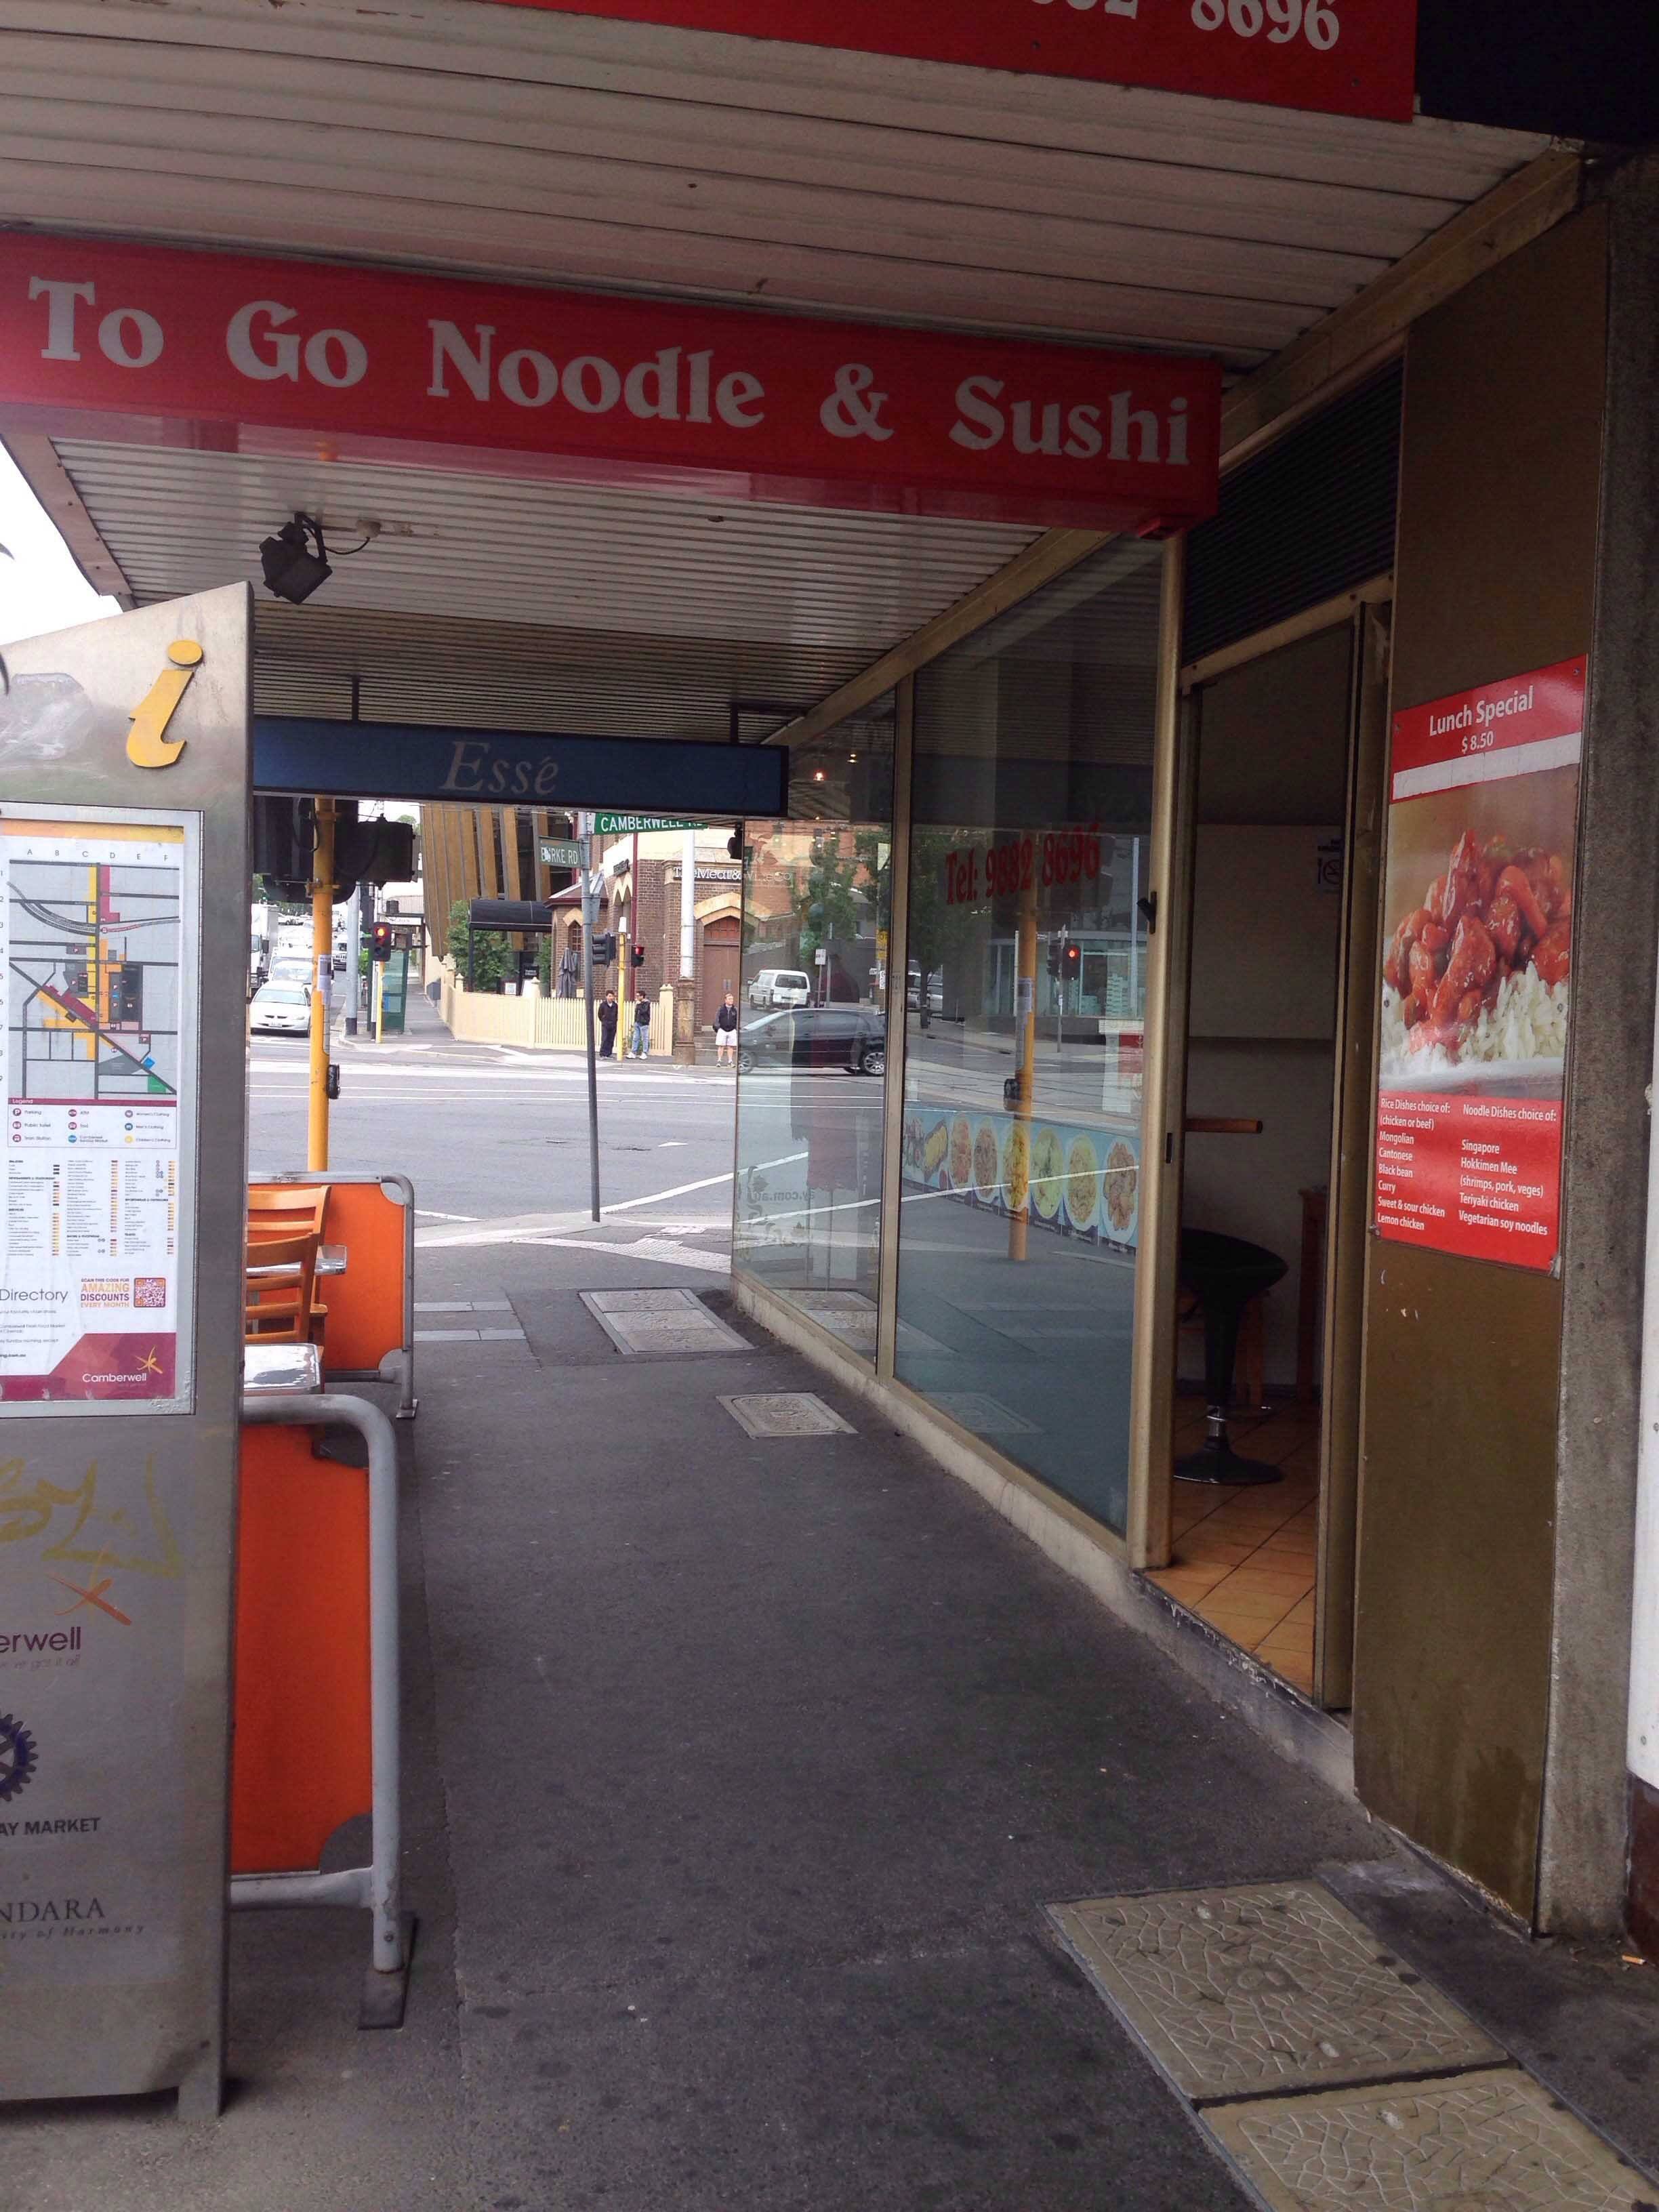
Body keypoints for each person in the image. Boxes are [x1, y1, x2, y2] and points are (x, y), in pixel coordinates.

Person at [715, 990, 739, 1067]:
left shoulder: (735, 1009)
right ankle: (719, 1061)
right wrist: (718, 1028)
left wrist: (736, 1028)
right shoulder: (721, 1009)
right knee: (721, 1046)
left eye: (732, 999)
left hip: (732, 1030)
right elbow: (717, 1018)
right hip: (722, 1029)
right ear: (726, 1000)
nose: (731, 1000)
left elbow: (737, 1019)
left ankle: (730, 1061)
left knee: (730, 1046)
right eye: (729, 999)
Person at [630, 985, 653, 1059]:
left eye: (638, 996)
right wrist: (635, 1021)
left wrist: (639, 1005)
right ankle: (633, 1052)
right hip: (637, 1022)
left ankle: (645, 1053)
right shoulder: (638, 1004)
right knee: (635, 1038)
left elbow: (644, 1011)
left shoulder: (646, 1003)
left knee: (645, 1038)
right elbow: (636, 1012)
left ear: (642, 996)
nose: (637, 998)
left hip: (644, 1023)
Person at [597, 988, 619, 1059]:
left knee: (611, 1039)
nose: (611, 998)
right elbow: (600, 1014)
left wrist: (615, 1021)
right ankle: (602, 1054)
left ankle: (609, 1053)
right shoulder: (603, 1005)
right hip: (606, 1025)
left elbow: (617, 1014)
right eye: (609, 996)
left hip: (613, 1025)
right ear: (606, 997)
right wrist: (603, 1020)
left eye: (612, 996)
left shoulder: (615, 1005)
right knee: (605, 1038)